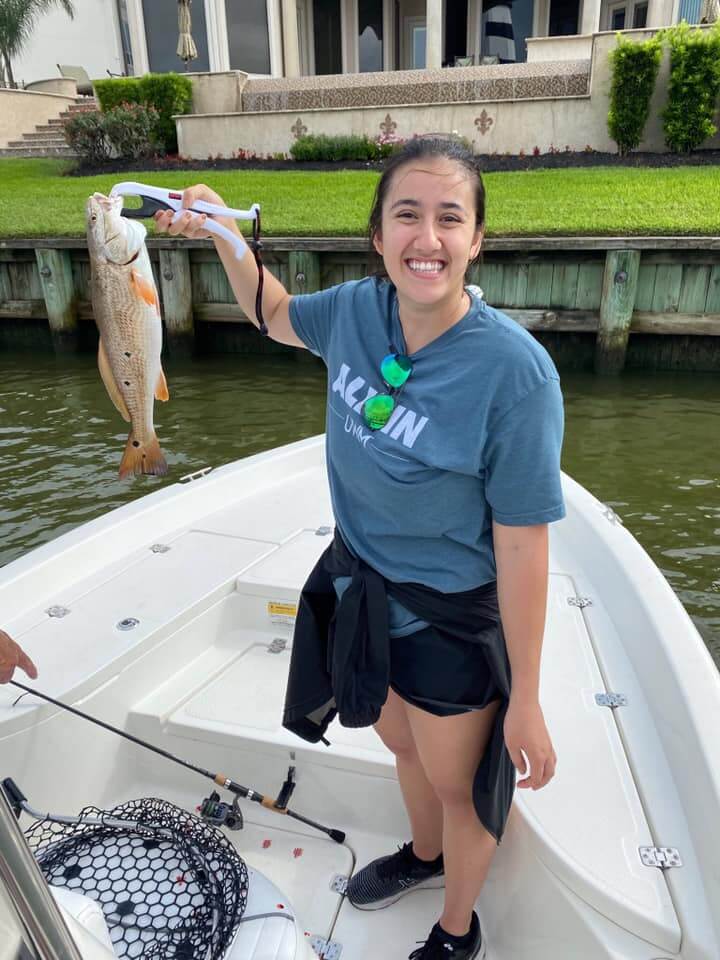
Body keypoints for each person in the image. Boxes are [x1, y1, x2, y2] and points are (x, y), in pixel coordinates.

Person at [154, 137, 564, 960]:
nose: (428, 237)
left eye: (450, 218)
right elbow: (274, 315)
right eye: (405, 215)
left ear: (477, 239)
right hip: (361, 587)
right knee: (399, 743)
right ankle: (422, 857)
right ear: (377, 235)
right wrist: (226, 235)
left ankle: (456, 931)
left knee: (458, 783)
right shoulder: (355, 310)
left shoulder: (515, 376)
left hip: (448, 617)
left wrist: (525, 697)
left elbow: (522, 548)